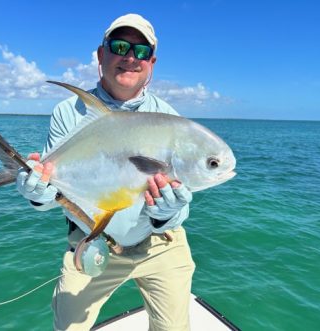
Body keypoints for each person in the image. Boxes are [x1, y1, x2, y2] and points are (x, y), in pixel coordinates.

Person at [16, 13, 195, 331]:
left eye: (140, 51)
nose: (130, 57)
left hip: (160, 244)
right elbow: (55, 193)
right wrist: (38, 193)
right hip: (93, 240)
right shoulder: (69, 112)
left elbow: (181, 202)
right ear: (101, 54)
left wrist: (168, 213)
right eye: (120, 46)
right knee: (68, 325)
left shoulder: (168, 118)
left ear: (151, 62)